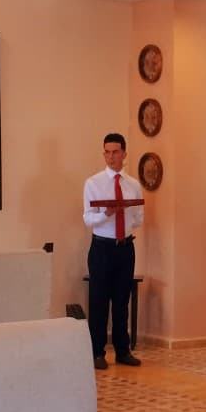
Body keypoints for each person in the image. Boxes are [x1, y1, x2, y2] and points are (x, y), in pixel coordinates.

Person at [83, 133, 144, 369]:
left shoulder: (133, 184)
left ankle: (122, 351)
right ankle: (97, 352)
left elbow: (138, 217)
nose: (111, 157)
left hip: (125, 247)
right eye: (107, 152)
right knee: (99, 301)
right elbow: (88, 218)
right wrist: (106, 214)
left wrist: (125, 219)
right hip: (102, 248)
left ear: (124, 154)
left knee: (121, 301)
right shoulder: (93, 183)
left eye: (115, 152)